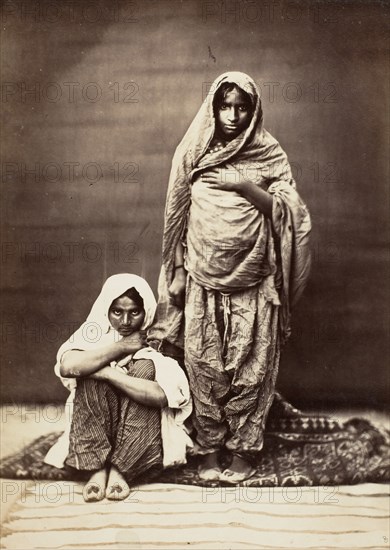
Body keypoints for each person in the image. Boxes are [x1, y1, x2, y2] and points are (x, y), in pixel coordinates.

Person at [147, 72, 311, 483]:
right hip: (202, 278)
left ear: (253, 109)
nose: (234, 115)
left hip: (255, 281)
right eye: (226, 106)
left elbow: (288, 212)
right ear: (213, 107)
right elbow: (176, 216)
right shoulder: (194, 151)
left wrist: (242, 185)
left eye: (242, 106)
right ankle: (208, 448)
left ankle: (243, 450)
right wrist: (179, 270)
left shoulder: (267, 152)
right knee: (204, 366)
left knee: (251, 366)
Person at [44, 273, 192, 501]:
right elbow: (68, 367)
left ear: (146, 311)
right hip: (101, 425)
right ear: (106, 310)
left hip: (142, 434)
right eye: (117, 312)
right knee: (90, 376)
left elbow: (161, 396)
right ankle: (97, 468)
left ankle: (121, 470)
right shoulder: (95, 333)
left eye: (134, 312)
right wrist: (121, 347)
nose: (125, 322)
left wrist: (108, 373)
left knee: (144, 368)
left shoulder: (157, 338)